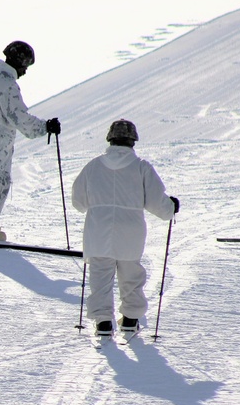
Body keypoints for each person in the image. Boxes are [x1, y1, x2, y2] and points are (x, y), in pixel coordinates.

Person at [71, 120, 178, 336]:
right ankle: (130, 319)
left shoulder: (93, 166)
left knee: (100, 277)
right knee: (131, 275)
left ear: (110, 139)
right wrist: (172, 206)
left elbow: (78, 202)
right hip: (130, 230)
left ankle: (103, 322)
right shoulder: (141, 167)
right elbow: (159, 204)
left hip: (98, 230)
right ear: (133, 142)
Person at [0, 40, 61, 241]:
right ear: (18, 62)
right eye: (25, 66)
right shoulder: (7, 84)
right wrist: (44, 127)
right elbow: (19, 116)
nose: (25, 71)